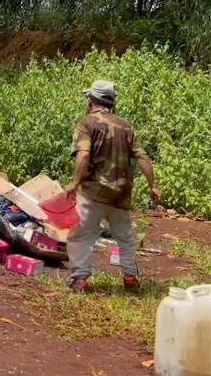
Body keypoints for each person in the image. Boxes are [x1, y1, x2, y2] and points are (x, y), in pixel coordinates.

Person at [65, 80, 159, 293]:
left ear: (90, 102)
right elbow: (142, 156)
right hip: (121, 194)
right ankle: (130, 277)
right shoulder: (126, 126)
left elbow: (83, 154)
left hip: (93, 192)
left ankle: (80, 278)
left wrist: (74, 183)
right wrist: (153, 185)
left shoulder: (87, 123)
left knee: (81, 235)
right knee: (125, 237)